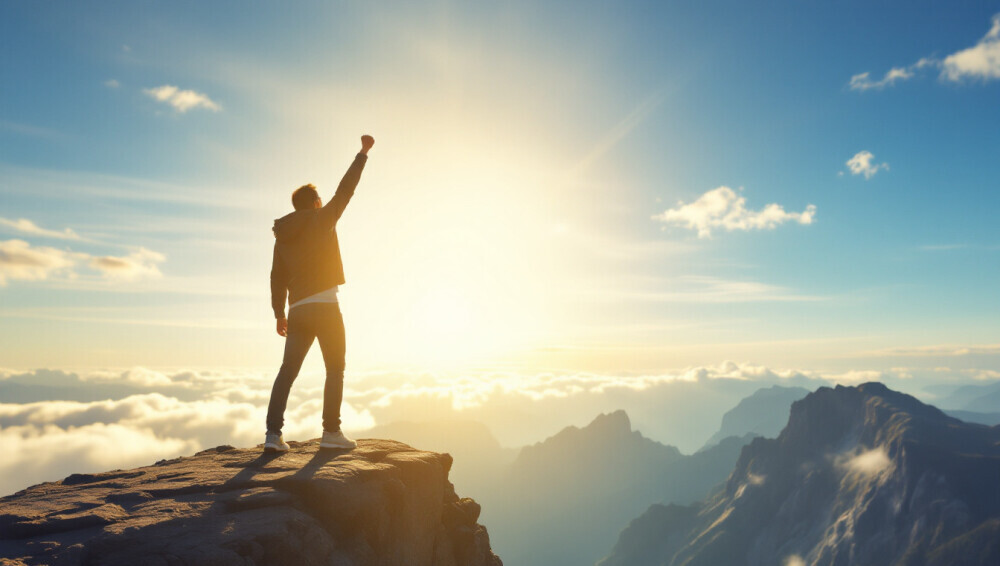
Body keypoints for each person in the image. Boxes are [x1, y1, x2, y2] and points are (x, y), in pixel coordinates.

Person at [264, 134, 374, 452]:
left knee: (288, 371)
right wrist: (363, 153)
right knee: (335, 368)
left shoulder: (283, 235)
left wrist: (279, 313)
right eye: (320, 200)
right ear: (315, 203)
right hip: (326, 306)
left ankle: (273, 435)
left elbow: (276, 277)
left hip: (297, 310)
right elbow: (346, 190)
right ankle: (331, 433)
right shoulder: (323, 219)